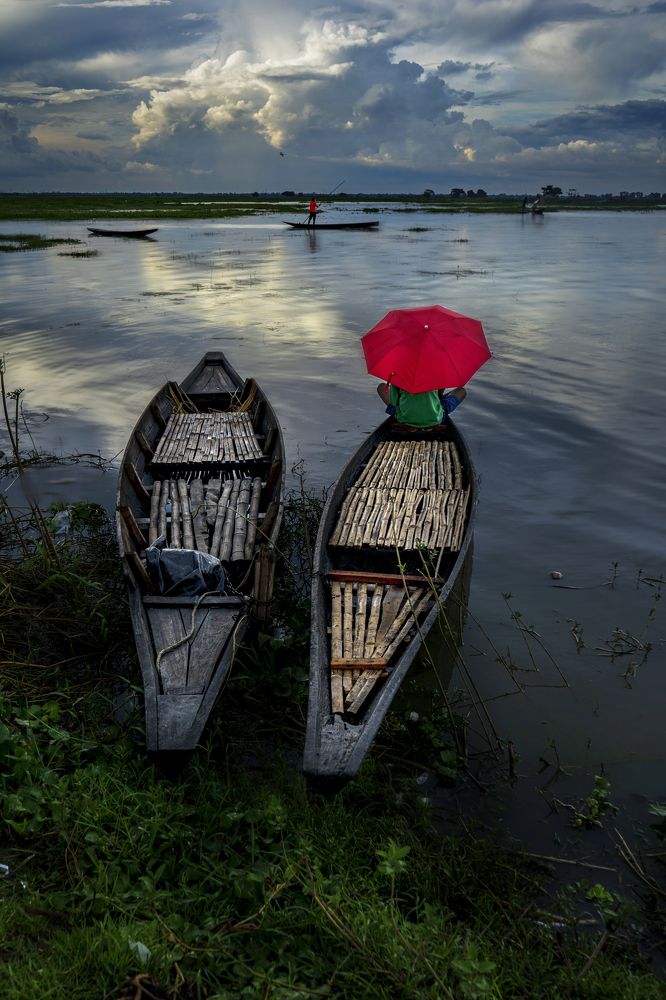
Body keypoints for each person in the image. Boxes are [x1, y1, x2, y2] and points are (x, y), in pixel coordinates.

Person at [376, 382, 466, 430]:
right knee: (461, 391)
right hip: (435, 419)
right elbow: (439, 398)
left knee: (381, 387)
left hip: (404, 418)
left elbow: (394, 402)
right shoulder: (437, 370)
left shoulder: (399, 372)